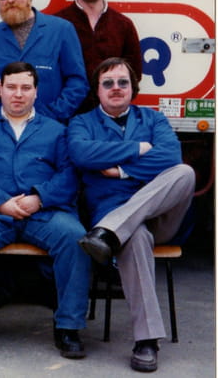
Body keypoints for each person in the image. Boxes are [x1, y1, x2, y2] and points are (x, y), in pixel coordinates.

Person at [0, 62, 90, 360]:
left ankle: (68, 326)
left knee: (76, 238)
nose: (18, 94)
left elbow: (69, 175)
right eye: (12, 87)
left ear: (36, 92)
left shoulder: (57, 130)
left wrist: (39, 198)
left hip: (43, 212)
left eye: (25, 88)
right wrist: (1, 203)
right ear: (0, 90)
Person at [69, 57, 195, 372]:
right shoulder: (82, 123)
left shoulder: (153, 118)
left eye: (123, 82)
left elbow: (170, 155)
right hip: (111, 210)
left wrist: (121, 170)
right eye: (108, 83)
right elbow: (82, 153)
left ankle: (109, 233)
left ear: (133, 87)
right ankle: (147, 341)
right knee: (135, 236)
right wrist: (139, 149)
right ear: (97, 90)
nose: (116, 88)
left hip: (159, 216)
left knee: (184, 172)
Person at [55, 0, 142, 111]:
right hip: (68, 114)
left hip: (110, 115)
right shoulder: (57, 23)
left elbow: (134, 75)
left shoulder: (124, 25)